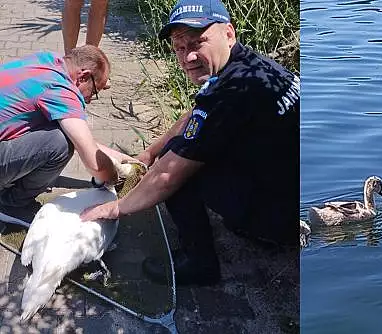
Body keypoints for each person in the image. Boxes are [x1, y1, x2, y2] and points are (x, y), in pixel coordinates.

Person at [80, 0, 300, 287]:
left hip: (285, 219)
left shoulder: (232, 93)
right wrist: (147, 154)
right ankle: (253, 218)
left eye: (198, 42)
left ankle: (201, 265)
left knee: (178, 163)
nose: (188, 57)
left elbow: (168, 176)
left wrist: (114, 209)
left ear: (229, 34)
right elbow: (195, 116)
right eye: (180, 48)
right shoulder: (249, 67)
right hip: (292, 188)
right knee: (181, 149)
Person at [0, 45, 133, 222]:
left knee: (60, 132)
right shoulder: (60, 90)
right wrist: (114, 177)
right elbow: (95, 163)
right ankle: (11, 205)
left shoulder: (46, 61)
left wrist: (125, 159)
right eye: (94, 92)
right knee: (60, 144)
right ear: (84, 76)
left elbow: (81, 138)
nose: (90, 100)